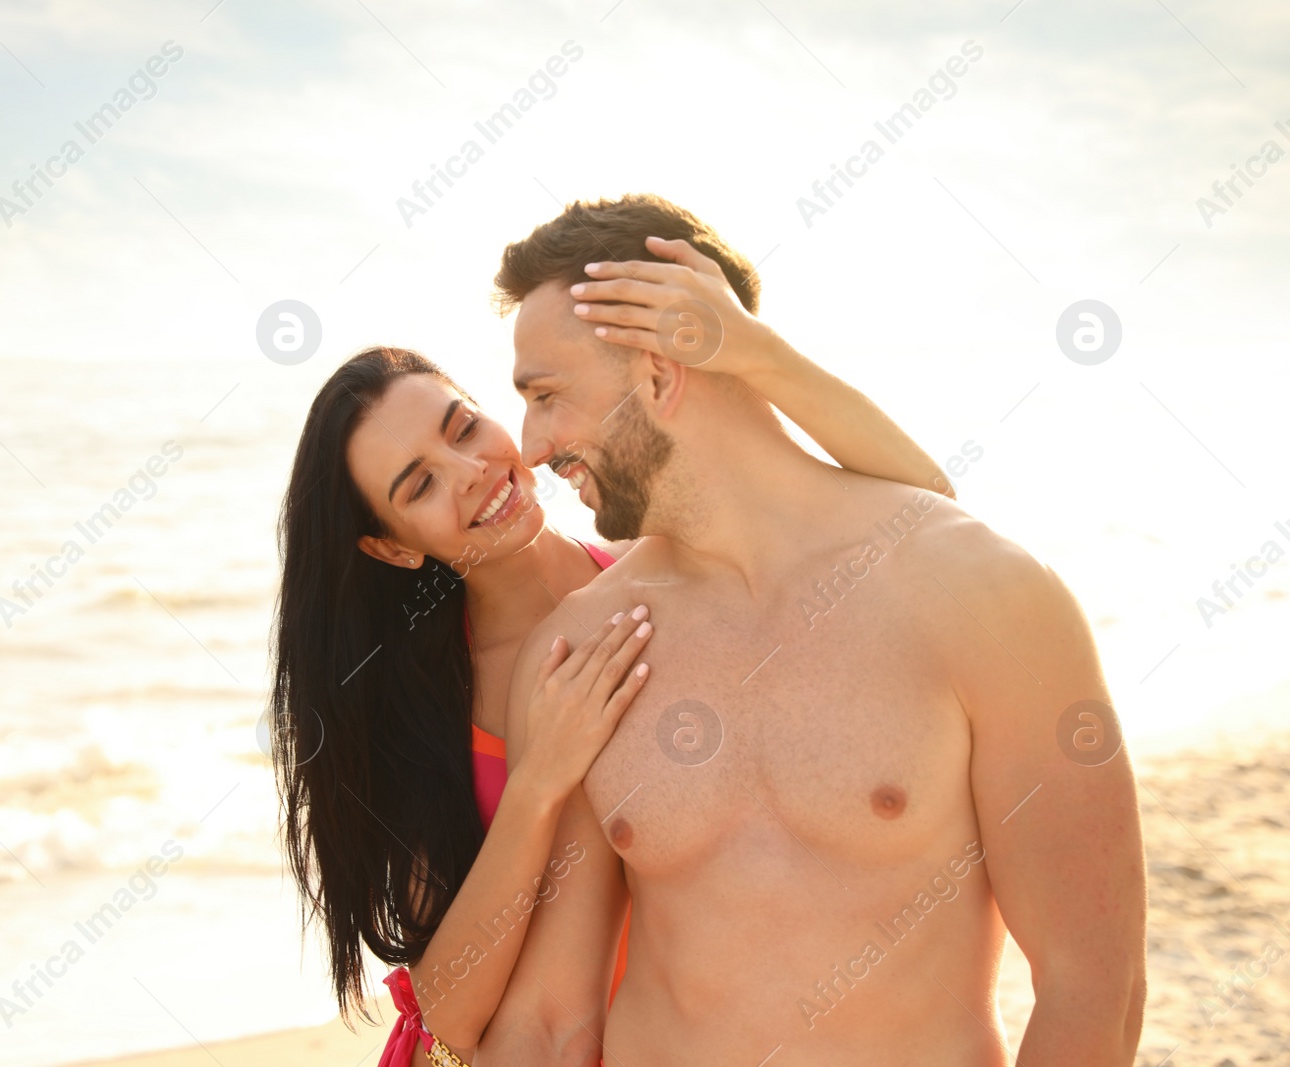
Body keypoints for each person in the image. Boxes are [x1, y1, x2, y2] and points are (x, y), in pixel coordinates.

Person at [475, 194, 1148, 1066]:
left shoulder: (981, 592)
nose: (530, 445)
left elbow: (1091, 984)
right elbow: (551, 1021)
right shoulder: (580, 650)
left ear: (658, 371)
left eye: (547, 396)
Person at [269, 257, 956, 1065]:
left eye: (463, 428)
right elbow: (449, 1009)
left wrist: (758, 352)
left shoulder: (654, 577)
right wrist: (538, 780)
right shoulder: (413, 705)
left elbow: (923, 510)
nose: (473, 472)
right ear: (391, 546)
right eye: (420, 485)